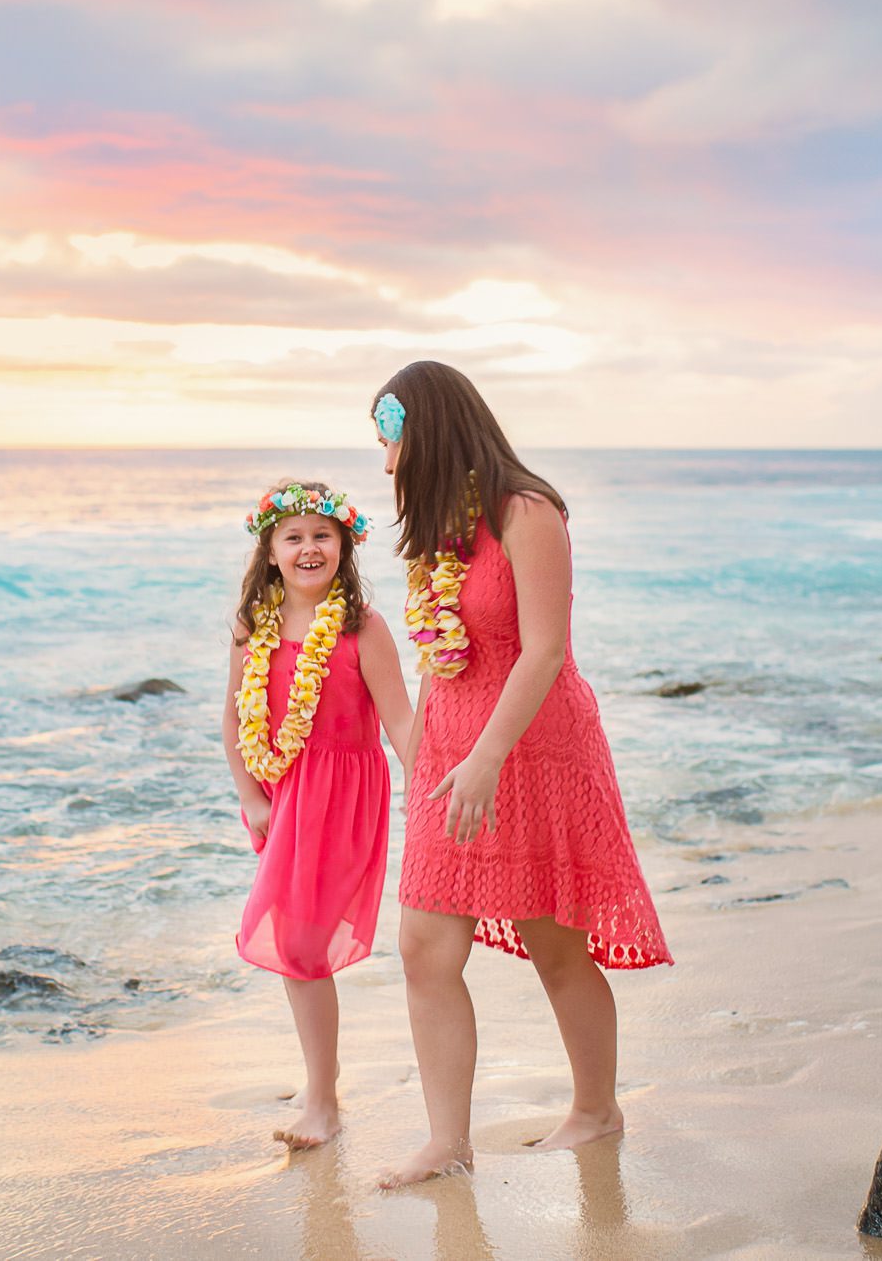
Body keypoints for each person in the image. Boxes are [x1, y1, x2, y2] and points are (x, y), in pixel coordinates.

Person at [369, 361, 672, 1188]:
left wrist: (487, 757)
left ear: (426, 429)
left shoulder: (527, 512)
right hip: (454, 755)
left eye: (389, 439)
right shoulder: (440, 527)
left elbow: (544, 651)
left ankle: (596, 1109)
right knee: (424, 946)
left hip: (531, 748)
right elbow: (440, 654)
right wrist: (424, 745)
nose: (386, 463)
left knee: (555, 944)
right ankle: (446, 1139)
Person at [220, 480, 413, 1150]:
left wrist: (435, 790)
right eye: (293, 536)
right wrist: (251, 796)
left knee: (300, 947)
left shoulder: (362, 627)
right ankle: (321, 1090)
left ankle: (324, 1101)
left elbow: (399, 721)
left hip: (340, 801)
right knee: (297, 947)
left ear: (344, 545)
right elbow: (234, 717)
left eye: (321, 535)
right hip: (280, 796)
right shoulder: (254, 627)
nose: (308, 547)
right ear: (270, 551)